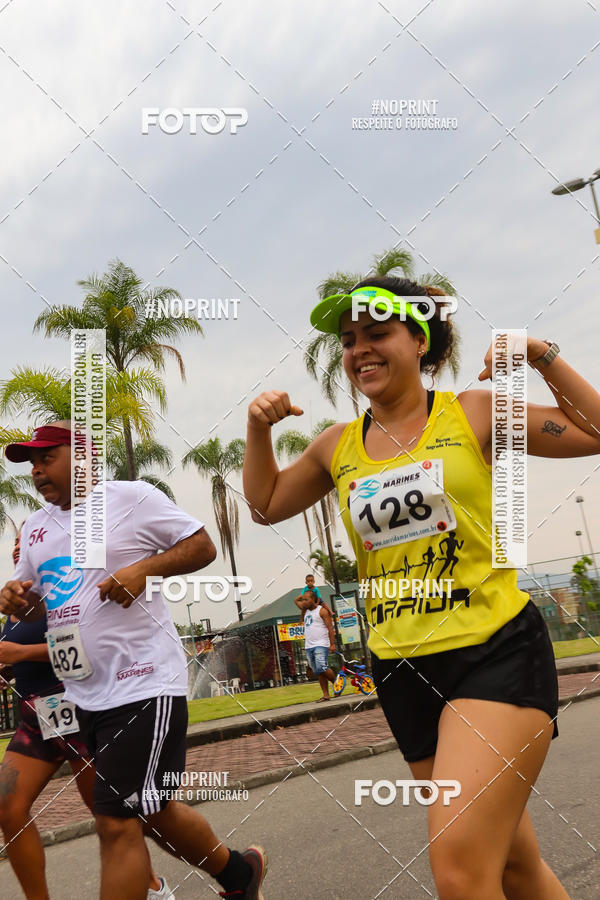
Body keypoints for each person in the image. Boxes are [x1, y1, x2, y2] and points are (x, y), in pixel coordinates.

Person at [242, 274, 600, 898]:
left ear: (421, 338)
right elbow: (267, 503)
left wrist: (541, 354)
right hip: (403, 670)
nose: (360, 351)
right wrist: (257, 430)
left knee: (460, 871)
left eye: (378, 333)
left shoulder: (475, 413)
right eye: (349, 340)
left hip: (494, 651)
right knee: (512, 865)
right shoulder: (338, 446)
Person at [0, 422, 267, 900]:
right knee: (151, 812)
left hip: (143, 685)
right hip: (80, 695)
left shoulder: (132, 498)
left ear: (81, 457)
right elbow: (39, 603)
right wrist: (16, 596)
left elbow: (202, 545)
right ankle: (238, 876)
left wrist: (145, 568)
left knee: (116, 820)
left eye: (46, 458)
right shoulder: (38, 527)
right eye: (31, 464)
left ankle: (231, 878)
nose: (37, 470)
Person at [0, 528, 172, 900]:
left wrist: (18, 654)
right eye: (14, 541)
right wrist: (6, 666)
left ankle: (152, 887)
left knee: (108, 811)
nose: (19, 545)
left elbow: (83, 643)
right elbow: (11, 651)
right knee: (8, 805)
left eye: (24, 539)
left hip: (78, 703)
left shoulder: (65, 586)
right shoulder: (16, 602)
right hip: (36, 712)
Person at [293, 589, 336, 701]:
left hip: (321, 644)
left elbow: (330, 629)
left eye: (307, 599)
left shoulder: (322, 611)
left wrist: (332, 644)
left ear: (314, 600)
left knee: (321, 666)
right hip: (309, 646)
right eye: (303, 600)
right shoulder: (305, 610)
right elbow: (295, 600)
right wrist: (305, 593)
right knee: (318, 671)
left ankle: (336, 683)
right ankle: (326, 695)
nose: (304, 601)